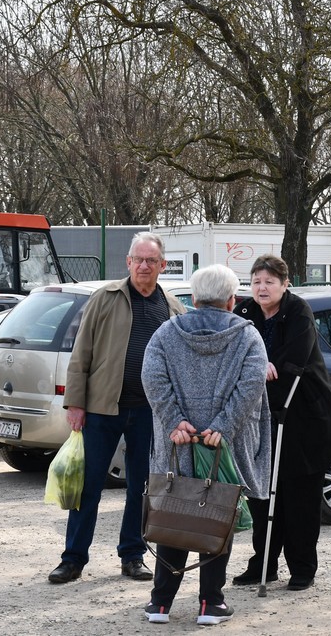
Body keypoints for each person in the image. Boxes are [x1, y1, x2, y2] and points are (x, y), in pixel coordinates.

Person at [47, 232, 186, 585]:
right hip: (101, 409)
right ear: (127, 262)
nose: (143, 265)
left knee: (141, 487)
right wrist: (75, 403)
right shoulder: (105, 298)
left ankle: (132, 555)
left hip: (149, 413)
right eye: (137, 259)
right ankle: (73, 558)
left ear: (161, 266)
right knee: (88, 485)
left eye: (151, 261)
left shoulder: (172, 307)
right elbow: (82, 353)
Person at [140, 264, 271, 625]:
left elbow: (151, 376)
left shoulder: (166, 333)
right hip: (223, 445)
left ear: (194, 299)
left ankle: (160, 603)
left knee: (174, 508)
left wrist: (173, 420)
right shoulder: (248, 336)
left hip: (177, 442)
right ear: (232, 301)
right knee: (218, 512)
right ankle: (210, 603)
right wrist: (222, 427)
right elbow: (251, 385)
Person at [232, 255, 331, 591]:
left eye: (269, 281)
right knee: (262, 495)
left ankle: (303, 567)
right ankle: (263, 563)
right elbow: (235, 349)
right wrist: (256, 365)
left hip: (304, 416)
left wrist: (264, 363)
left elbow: (295, 358)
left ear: (285, 283)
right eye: (256, 281)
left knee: (299, 497)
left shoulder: (297, 312)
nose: (262, 288)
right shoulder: (246, 312)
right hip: (262, 417)